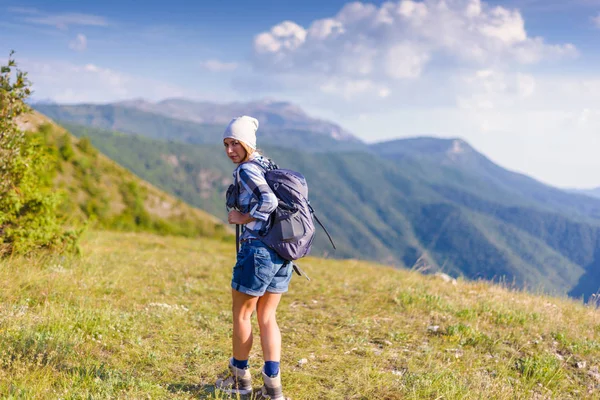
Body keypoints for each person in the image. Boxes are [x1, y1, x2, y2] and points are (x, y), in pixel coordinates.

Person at [216, 116, 292, 400]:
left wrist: (243, 217)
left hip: (258, 251)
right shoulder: (267, 164)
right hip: (282, 251)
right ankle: (272, 388)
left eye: (235, 142)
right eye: (226, 143)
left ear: (248, 143)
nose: (229, 150)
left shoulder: (247, 170)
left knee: (242, 314)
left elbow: (269, 202)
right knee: (267, 316)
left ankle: (240, 381)